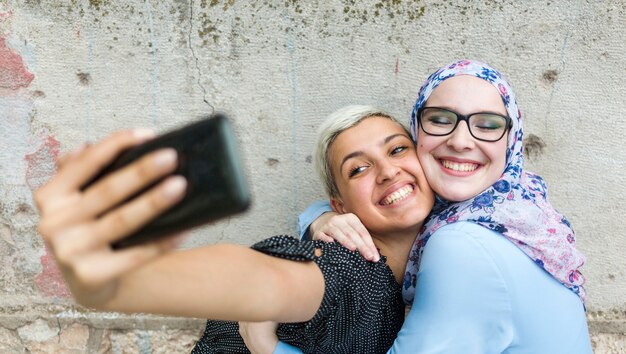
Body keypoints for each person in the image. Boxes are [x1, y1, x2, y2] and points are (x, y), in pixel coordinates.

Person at [251, 60, 592, 353]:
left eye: (488, 125)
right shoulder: (515, 212)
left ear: (512, 141)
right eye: (441, 120)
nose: (460, 141)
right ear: (419, 133)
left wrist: (265, 346)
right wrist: (319, 218)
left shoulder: (461, 247)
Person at [33, 105, 435, 353]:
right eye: (358, 168)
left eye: (397, 148)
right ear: (341, 205)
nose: (387, 171)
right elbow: (266, 280)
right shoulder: (353, 270)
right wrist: (128, 282)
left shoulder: (452, 246)